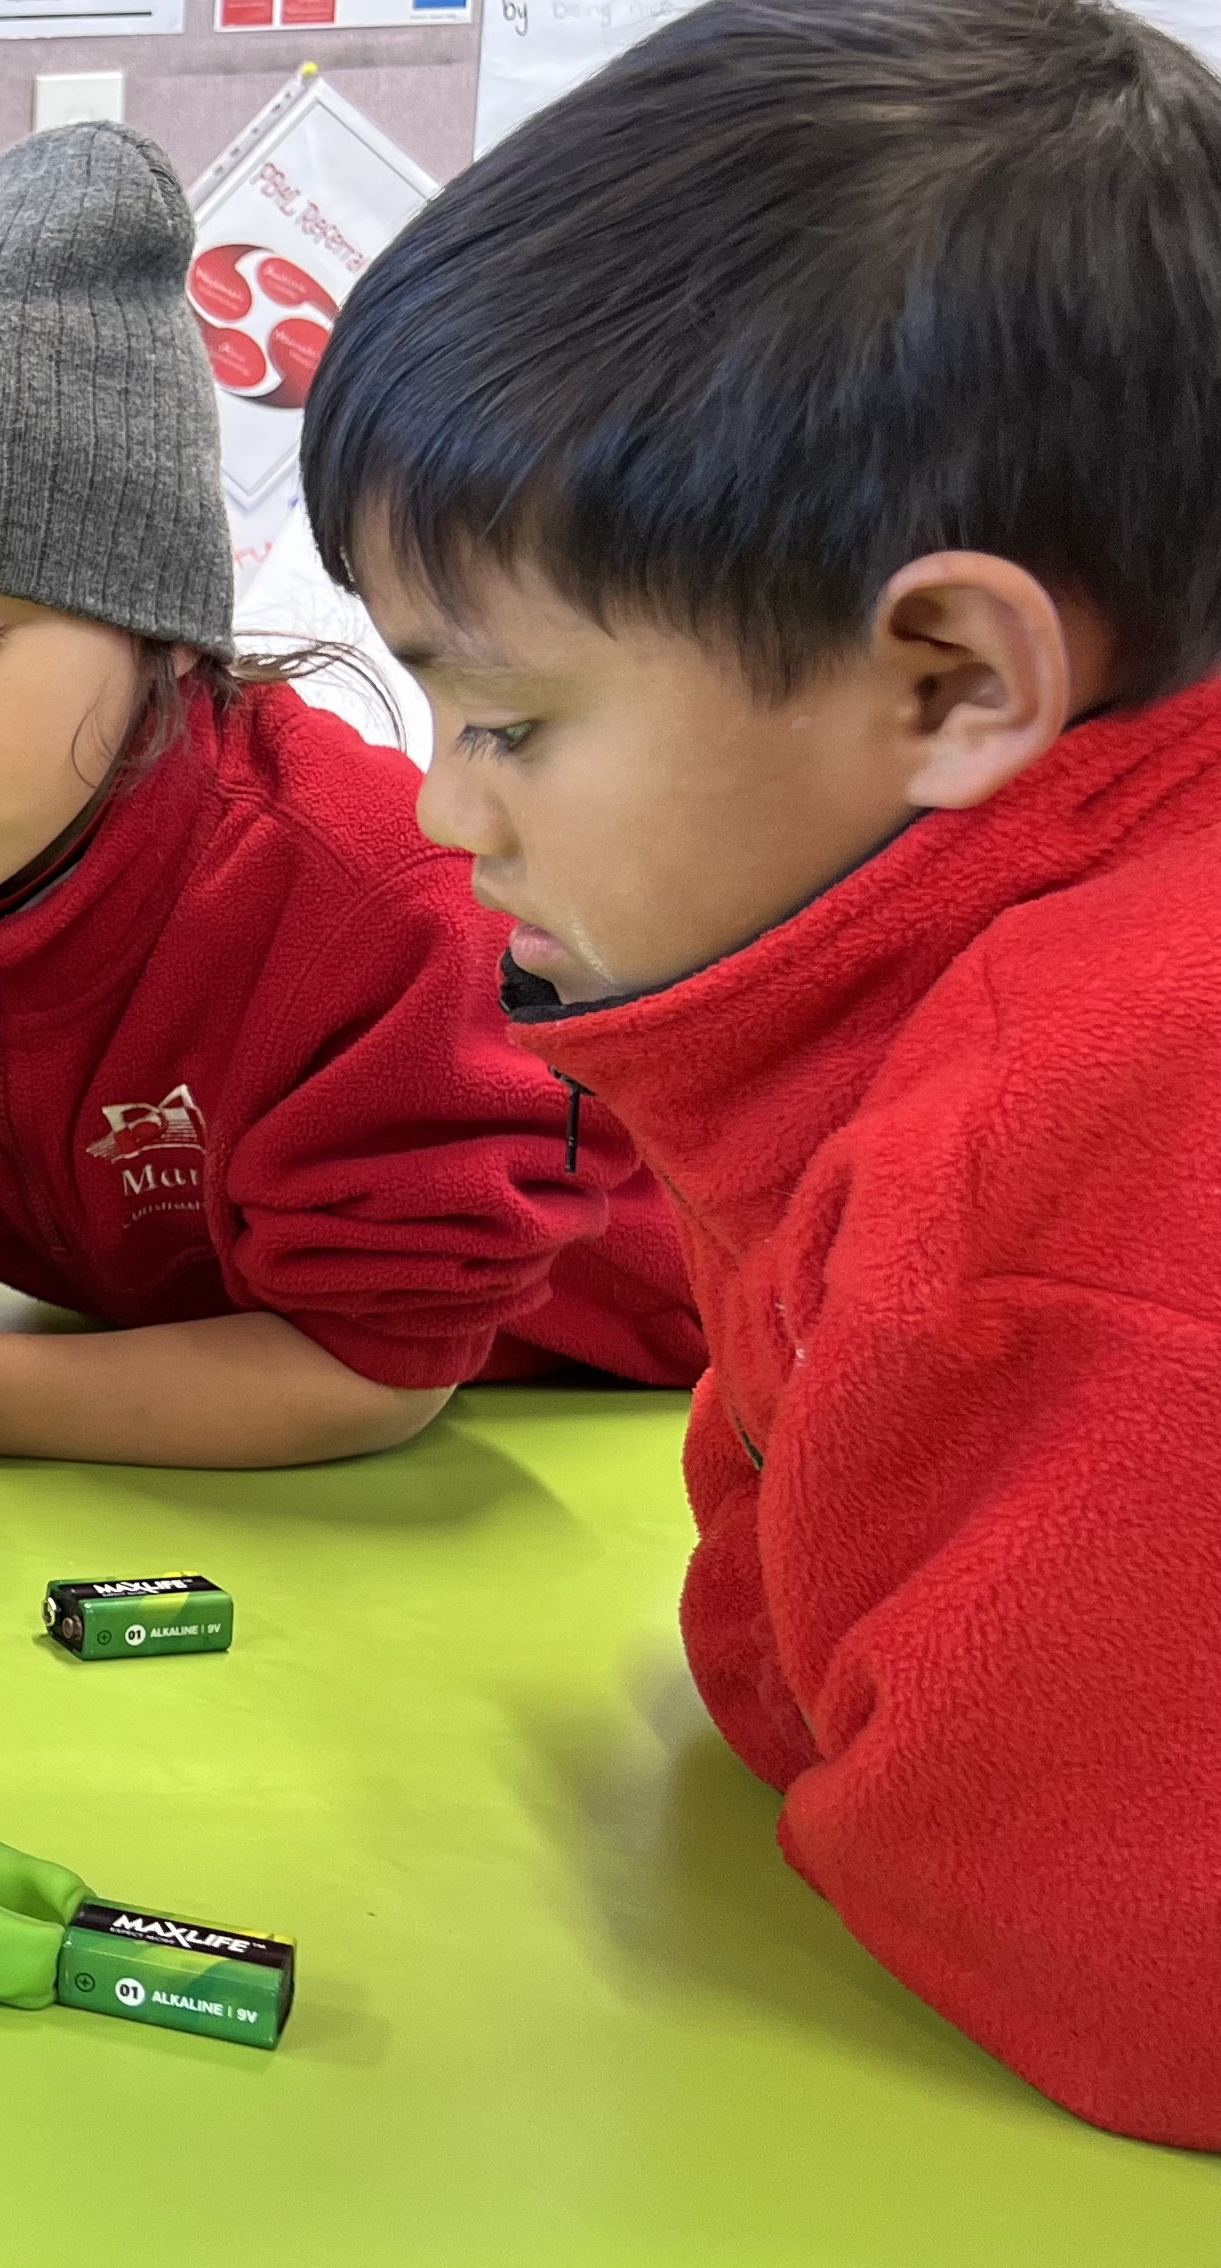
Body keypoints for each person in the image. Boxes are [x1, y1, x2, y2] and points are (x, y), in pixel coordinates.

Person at [300, 0, 1221, 2147]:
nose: (448, 817)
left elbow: (1089, 1959)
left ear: (953, 680)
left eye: (510, 723)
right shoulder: (909, 978)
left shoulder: (1063, 1134)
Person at [0, 125, 701, 1492]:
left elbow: (371, 1373)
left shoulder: (367, 899)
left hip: (620, 1398)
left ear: (158, 630)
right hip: (182, 1361)